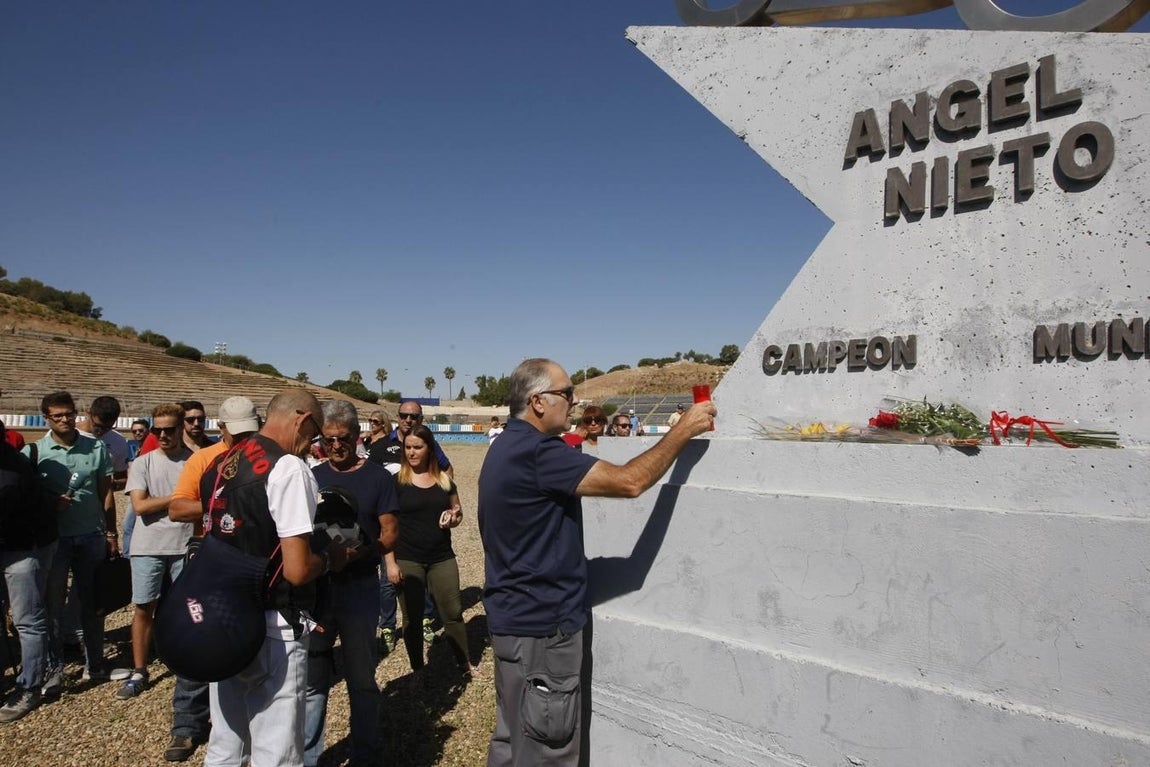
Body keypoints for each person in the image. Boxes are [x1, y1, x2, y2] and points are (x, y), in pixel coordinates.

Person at [478, 358, 716, 766]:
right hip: (544, 629)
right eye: (566, 393)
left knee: (513, 739)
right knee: (548, 749)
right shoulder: (538, 453)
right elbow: (630, 481)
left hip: (512, 622)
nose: (573, 401)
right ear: (537, 401)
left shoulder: (506, 445)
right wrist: (685, 428)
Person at [199, 390, 346, 767]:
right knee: (276, 750)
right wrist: (330, 559)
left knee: (226, 740)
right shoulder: (289, 467)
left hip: (223, 614)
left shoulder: (224, 460)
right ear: (301, 420)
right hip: (273, 622)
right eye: (314, 434)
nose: (313, 443)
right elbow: (297, 569)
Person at [304, 400, 399, 767]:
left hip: (360, 589)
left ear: (357, 436)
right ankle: (309, 757)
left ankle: (365, 754)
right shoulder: (311, 476)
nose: (336, 446)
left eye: (342, 439)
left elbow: (390, 534)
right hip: (318, 590)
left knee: (361, 678)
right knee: (313, 682)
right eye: (328, 440)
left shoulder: (378, 477)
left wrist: (356, 554)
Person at [35, 391, 116, 690]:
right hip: (53, 541)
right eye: (57, 416)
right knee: (52, 605)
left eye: (68, 413)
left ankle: (94, 663)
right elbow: (30, 498)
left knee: (92, 604)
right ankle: (54, 668)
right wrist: (49, 503)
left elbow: (106, 493)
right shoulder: (36, 452)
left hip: (90, 536)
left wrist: (111, 533)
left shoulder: (95, 447)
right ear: (47, 418)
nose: (65, 419)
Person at [120, 404, 194, 701]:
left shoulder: (194, 462)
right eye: (157, 430)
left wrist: (160, 501)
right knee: (143, 607)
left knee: (188, 608)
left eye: (169, 429)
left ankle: (188, 661)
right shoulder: (143, 463)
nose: (163, 435)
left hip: (185, 544)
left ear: (180, 429)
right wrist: (178, 499)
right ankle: (139, 669)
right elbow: (139, 506)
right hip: (148, 546)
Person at [394, 425, 479, 678]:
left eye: (417, 447)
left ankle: (465, 663)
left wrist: (453, 517)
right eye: (407, 447)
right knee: (412, 616)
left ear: (429, 449)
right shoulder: (396, 482)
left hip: (441, 556)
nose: (411, 452)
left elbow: (458, 511)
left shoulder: (444, 481)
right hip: (408, 557)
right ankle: (417, 668)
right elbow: (386, 524)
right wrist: (389, 561)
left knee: (452, 612)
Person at [368, 400, 450, 649]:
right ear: (398, 416)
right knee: (387, 578)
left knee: (422, 572)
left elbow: (446, 469)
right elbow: (369, 481)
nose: (408, 420)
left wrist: (444, 501)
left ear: (421, 419)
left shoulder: (429, 443)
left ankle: (424, 619)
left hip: (420, 520)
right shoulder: (381, 447)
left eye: (414, 416)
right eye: (404, 415)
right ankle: (389, 627)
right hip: (389, 521)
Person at [0, 423, 53, 723]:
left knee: (27, 621)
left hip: (22, 548)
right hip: (11, 543)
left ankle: (29, 687)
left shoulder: (11, 467)